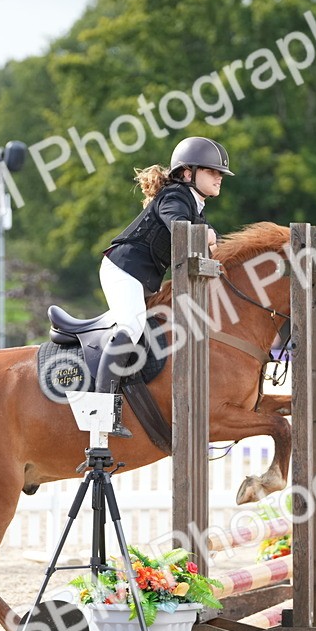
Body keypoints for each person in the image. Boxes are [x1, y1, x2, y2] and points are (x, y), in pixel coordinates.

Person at [97, 136, 231, 436]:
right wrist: (208, 234)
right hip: (123, 270)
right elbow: (179, 228)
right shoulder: (175, 197)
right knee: (131, 327)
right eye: (212, 171)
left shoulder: (194, 204)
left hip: (142, 278)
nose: (219, 177)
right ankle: (102, 410)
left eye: (220, 172)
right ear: (188, 173)